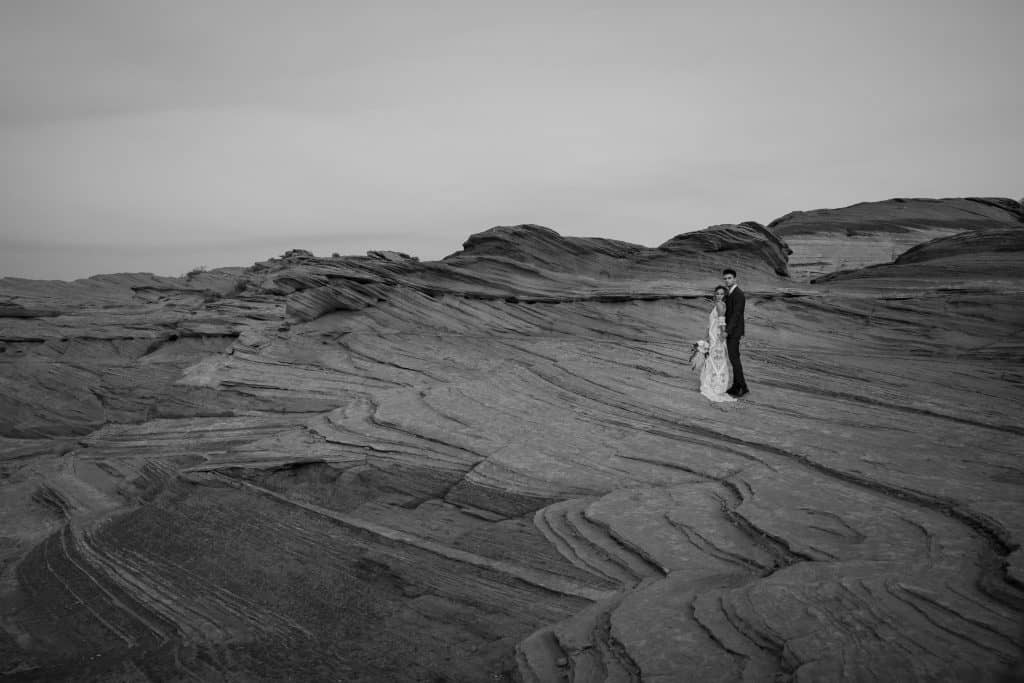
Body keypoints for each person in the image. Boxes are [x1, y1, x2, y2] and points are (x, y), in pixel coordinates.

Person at [699, 286, 736, 402]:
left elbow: (721, 322)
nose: (719, 296)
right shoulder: (722, 305)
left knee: (715, 360)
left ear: (725, 295)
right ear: (715, 295)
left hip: (717, 337)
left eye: (722, 294)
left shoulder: (720, 305)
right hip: (714, 336)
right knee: (717, 360)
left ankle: (715, 386)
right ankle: (717, 385)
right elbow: (711, 323)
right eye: (718, 293)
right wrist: (706, 337)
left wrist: (723, 334)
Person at [722, 268, 749, 397]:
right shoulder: (730, 293)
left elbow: (736, 315)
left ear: (735, 279)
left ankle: (742, 387)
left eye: (729, 278)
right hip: (732, 331)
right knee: (734, 359)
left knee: (734, 359)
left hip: (734, 332)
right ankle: (737, 385)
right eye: (725, 278)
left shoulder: (739, 294)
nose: (727, 280)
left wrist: (727, 331)